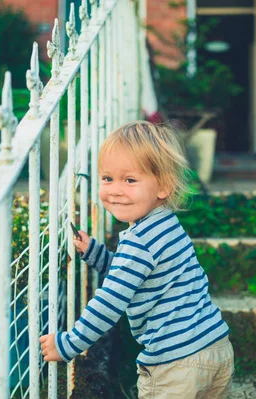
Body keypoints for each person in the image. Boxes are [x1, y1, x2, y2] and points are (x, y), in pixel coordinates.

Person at [39, 121, 234, 398]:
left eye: (129, 180)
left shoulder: (138, 241)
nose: (116, 190)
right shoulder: (165, 224)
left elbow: (111, 301)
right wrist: (95, 253)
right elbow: (137, 278)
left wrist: (69, 344)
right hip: (215, 346)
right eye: (108, 179)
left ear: (163, 186)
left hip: (175, 364)